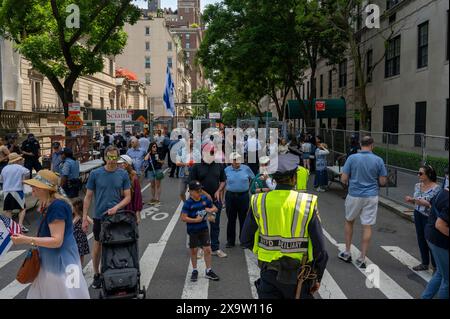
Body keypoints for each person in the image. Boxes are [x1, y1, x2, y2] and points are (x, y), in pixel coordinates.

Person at [240, 153, 328, 299]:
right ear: (294, 179)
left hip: (269, 273)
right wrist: (317, 277)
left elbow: (245, 239)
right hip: (299, 276)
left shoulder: (259, 201)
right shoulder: (307, 203)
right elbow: (321, 250)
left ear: (273, 179)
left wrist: (265, 252)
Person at [11, 170, 90, 299]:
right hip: (56, 263)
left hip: (61, 265)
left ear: (45, 188)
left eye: (35, 185)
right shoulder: (50, 204)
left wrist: (26, 239)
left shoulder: (56, 206)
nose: (32, 188)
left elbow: (57, 241)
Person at [82, 145, 131, 289]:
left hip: (117, 216)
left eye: (114, 157)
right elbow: (88, 197)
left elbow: (128, 197)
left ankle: (115, 270)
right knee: (98, 246)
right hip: (99, 216)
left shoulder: (123, 174)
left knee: (117, 243)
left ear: (117, 157)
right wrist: (84, 218)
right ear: (104, 157)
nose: (112, 160)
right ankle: (97, 274)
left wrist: (116, 207)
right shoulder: (95, 174)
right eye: (109, 157)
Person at [339, 136, 387, 268]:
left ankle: (347, 252)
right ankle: (362, 257)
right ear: (372, 145)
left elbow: (344, 178)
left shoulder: (352, 158)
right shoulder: (378, 160)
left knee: (349, 221)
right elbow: (383, 181)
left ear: (360, 144)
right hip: (371, 195)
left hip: (354, 194)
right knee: (367, 226)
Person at [190, 143, 227, 258]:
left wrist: (218, 190)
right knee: (200, 224)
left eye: (214, 152)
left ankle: (215, 248)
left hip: (215, 200)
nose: (213, 154)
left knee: (215, 224)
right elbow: (192, 183)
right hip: (199, 200)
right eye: (210, 152)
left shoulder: (218, 165)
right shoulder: (196, 166)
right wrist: (204, 193)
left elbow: (223, 180)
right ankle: (201, 247)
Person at [181, 180, 220, 282]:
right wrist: (195, 220)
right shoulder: (188, 203)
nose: (200, 192)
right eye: (197, 191)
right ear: (191, 191)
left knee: (207, 249)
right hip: (192, 230)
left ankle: (208, 270)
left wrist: (209, 210)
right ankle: (194, 270)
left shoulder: (204, 199)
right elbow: (183, 218)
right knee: (194, 251)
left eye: (200, 190)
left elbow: (215, 208)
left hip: (204, 229)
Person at [405, 164, 441, 271]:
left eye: (421, 173)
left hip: (429, 217)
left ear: (428, 175)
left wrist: (419, 201)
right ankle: (424, 263)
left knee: (430, 240)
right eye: (418, 173)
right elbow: (417, 200)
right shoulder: (417, 185)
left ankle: (435, 266)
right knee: (421, 238)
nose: (418, 175)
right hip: (418, 213)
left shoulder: (436, 188)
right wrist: (412, 200)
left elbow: (432, 203)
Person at [421, 185, 448, 299]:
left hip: (431, 236)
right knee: (447, 280)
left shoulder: (443, 192)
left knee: (441, 273)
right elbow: (440, 224)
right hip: (441, 241)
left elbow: (431, 204)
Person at [224, 152, 255, 248]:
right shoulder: (226, 170)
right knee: (231, 219)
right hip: (230, 196)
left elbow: (253, 179)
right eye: (234, 159)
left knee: (243, 219)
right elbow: (222, 182)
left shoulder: (246, 168)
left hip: (243, 196)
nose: (237, 161)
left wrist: (249, 188)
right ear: (231, 161)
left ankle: (244, 241)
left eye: (238, 159)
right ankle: (230, 241)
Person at [0, 153, 30, 233]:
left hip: (6, 191)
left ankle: (10, 227)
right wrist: (23, 180)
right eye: (20, 159)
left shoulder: (4, 168)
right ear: (17, 160)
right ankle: (20, 226)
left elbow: (1, 180)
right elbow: (27, 172)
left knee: (8, 210)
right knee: (22, 208)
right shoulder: (20, 167)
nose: (21, 160)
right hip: (17, 190)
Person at [119, 154, 143, 224]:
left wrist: (137, 214)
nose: (117, 165)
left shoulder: (134, 179)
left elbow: (137, 197)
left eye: (119, 163)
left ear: (126, 165)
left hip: (129, 211)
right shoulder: (115, 177)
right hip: (117, 211)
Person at [176, 137, 200, 202]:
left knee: (192, 192)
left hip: (193, 175)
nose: (191, 142)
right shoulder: (180, 151)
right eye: (190, 141)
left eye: (192, 141)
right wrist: (186, 164)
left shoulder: (197, 151)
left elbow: (200, 162)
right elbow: (177, 163)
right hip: (183, 174)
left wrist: (195, 164)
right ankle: (185, 203)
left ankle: (190, 204)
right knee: (181, 192)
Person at [72, 198, 92, 266]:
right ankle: (77, 268)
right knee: (75, 254)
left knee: (80, 254)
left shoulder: (83, 216)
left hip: (80, 239)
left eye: (73, 206)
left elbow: (92, 222)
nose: (72, 208)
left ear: (76, 207)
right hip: (74, 239)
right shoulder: (72, 216)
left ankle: (80, 268)